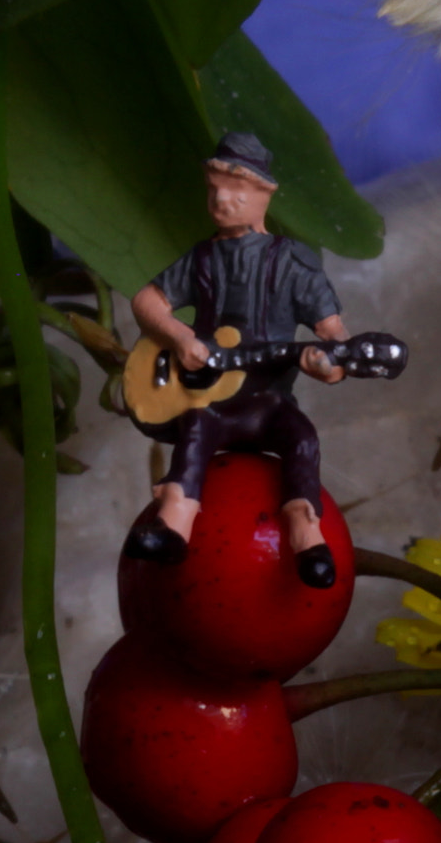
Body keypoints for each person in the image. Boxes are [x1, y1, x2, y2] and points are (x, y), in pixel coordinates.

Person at [126, 132, 349, 588]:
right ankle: (173, 526)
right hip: (210, 399)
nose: (221, 200)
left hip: (270, 404)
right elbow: (147, 301)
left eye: (235, 190)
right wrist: (181, 337)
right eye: (214, 190)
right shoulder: (202, 259)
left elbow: (334, 336)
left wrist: (329, 363)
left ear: (264, 194)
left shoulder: (294, 263)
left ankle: (307, 537)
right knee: (195, 427)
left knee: (302, 437)